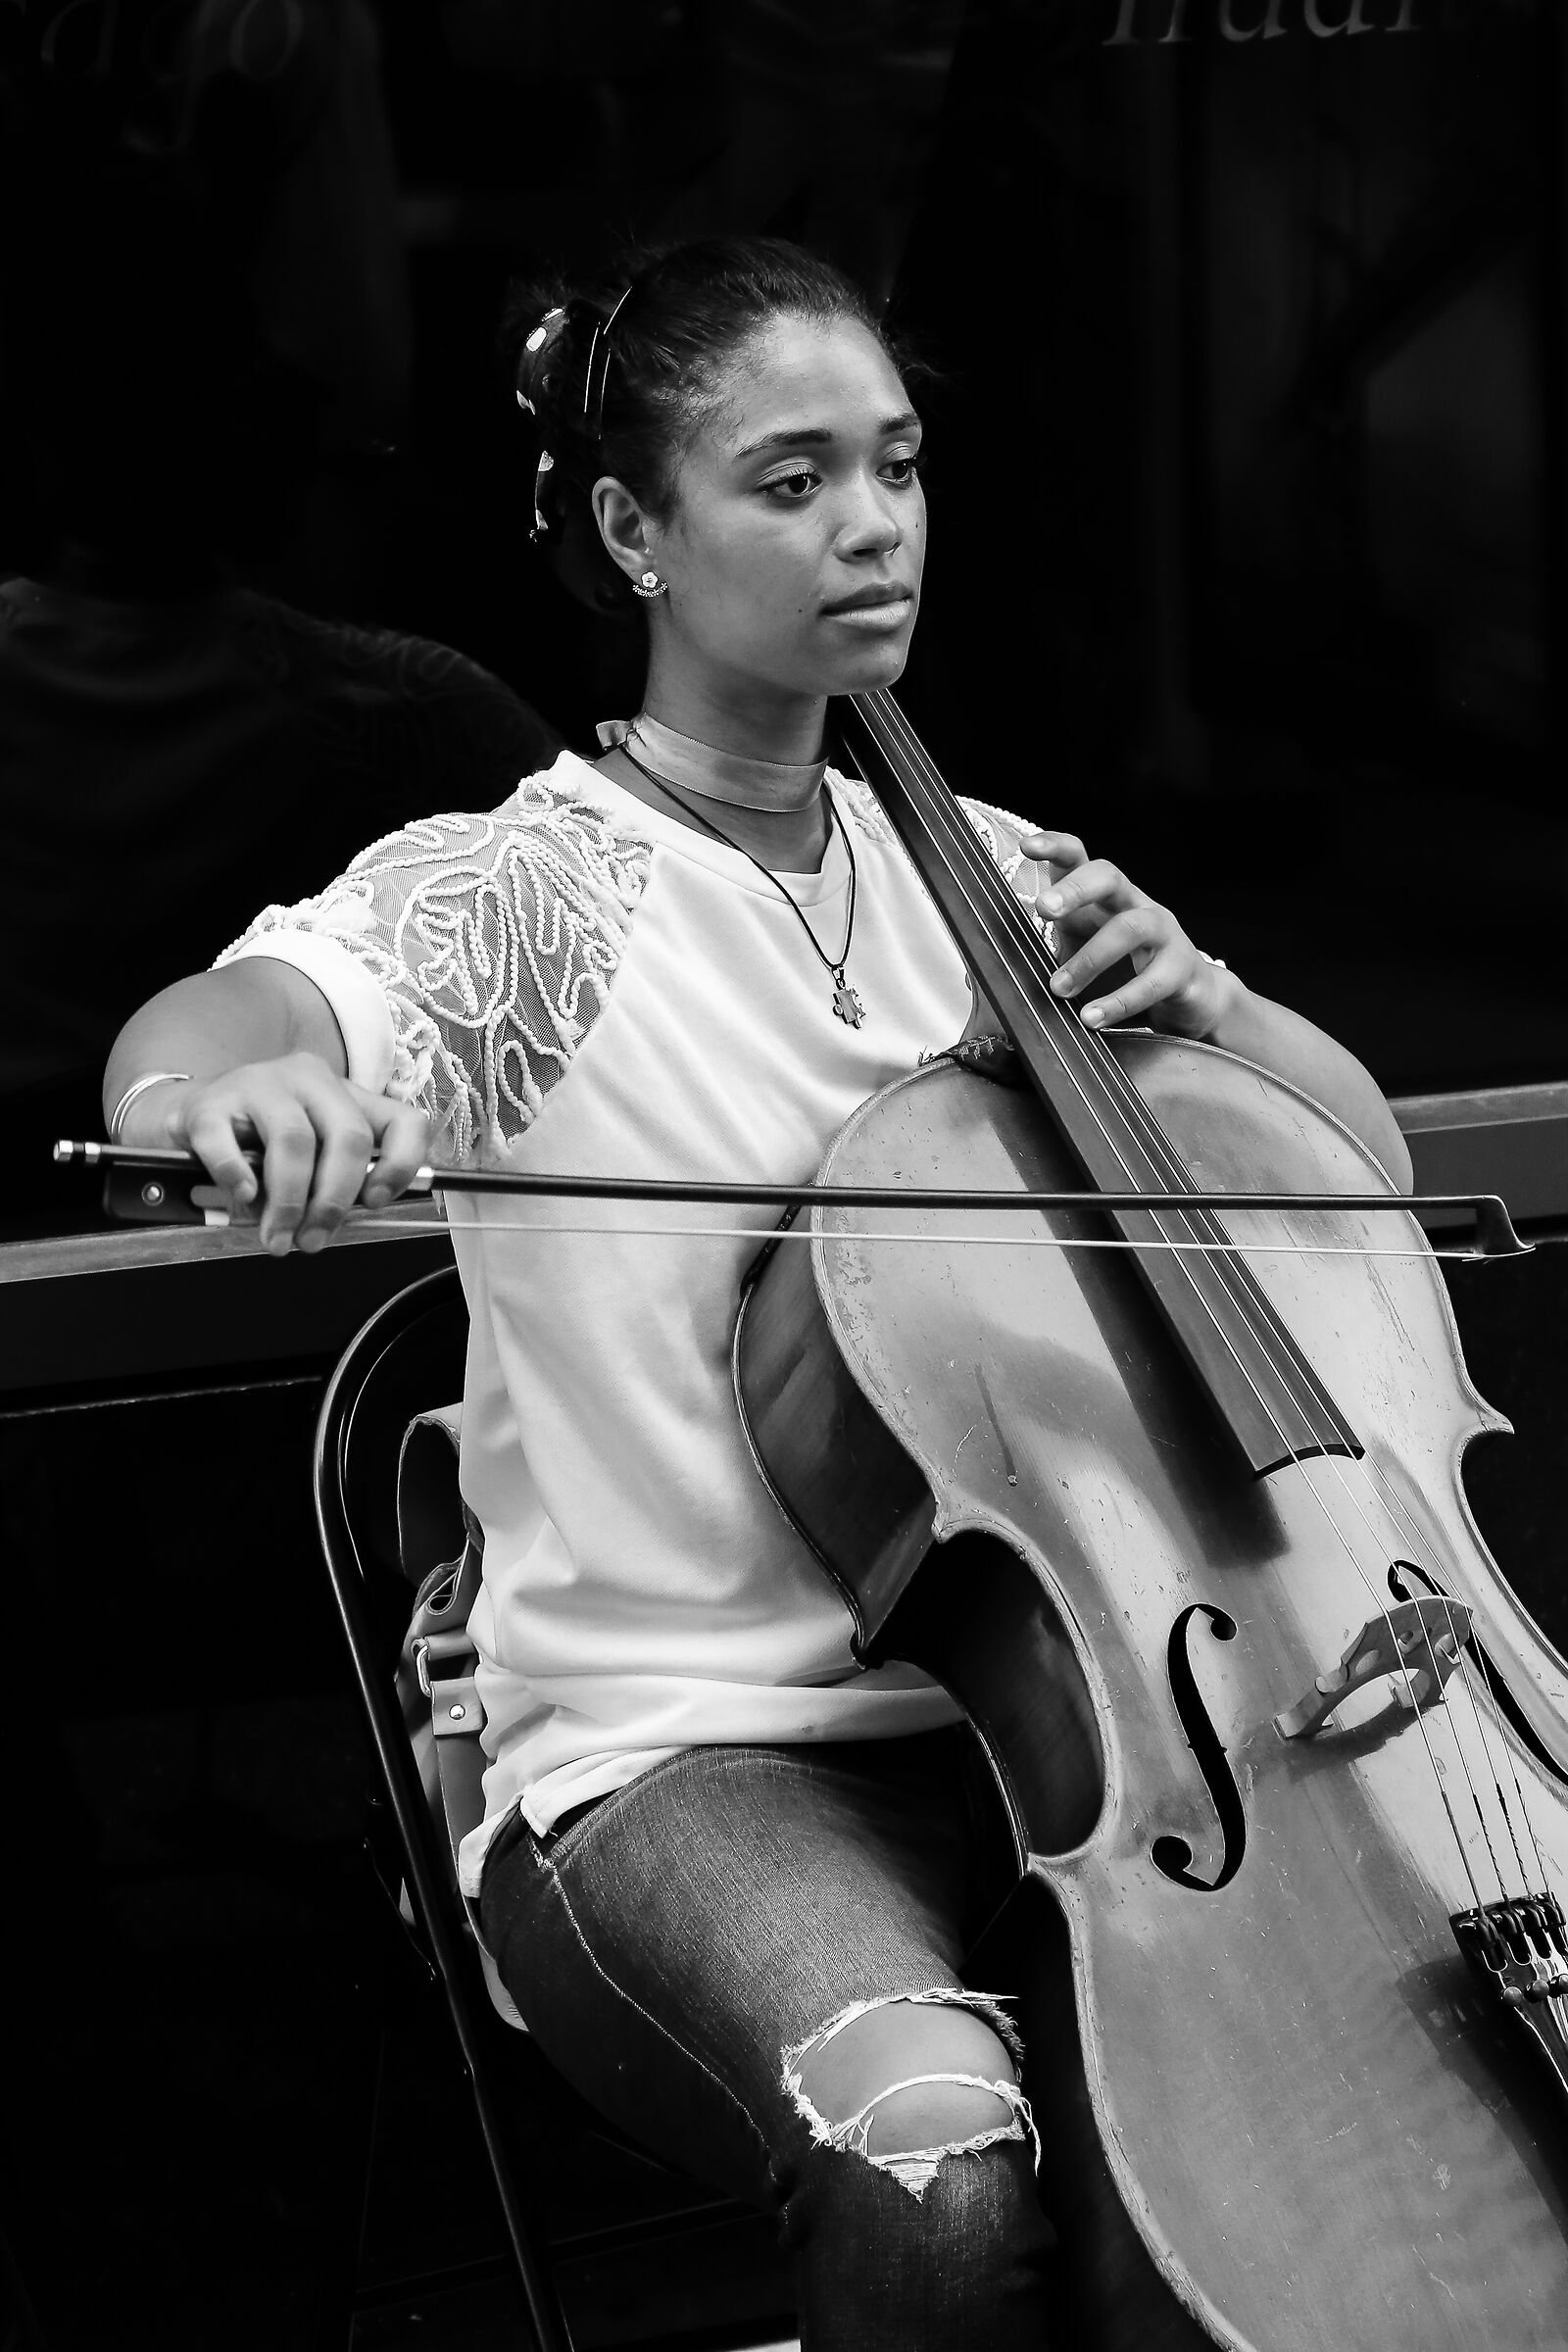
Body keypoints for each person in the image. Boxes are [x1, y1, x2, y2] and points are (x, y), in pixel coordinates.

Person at [102, 235, 1412, 2347]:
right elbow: (222, 1019)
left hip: (1079, 1735)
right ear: (634, 529)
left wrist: (1217, 1012)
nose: (871, 524)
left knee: (1340, 2149)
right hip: (679, 1757)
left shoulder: (997, 882)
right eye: (789, 481)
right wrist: (220, 1097)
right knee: (936, 2170)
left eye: (895, 464)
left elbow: (1357, 1185)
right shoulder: (519, 905)